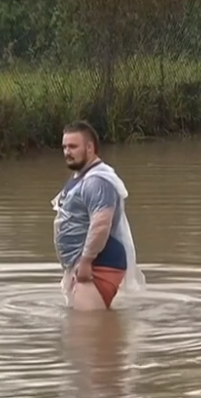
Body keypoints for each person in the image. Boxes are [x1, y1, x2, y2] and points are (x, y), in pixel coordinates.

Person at [51, 120, 146, 311]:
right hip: (86, 263)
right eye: (64, 147)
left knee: (87, 331)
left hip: (98, 264)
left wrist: (86, 262)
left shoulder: (97, 182)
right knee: (84, 331)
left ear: (89, 147)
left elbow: (101, 224)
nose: (67, 152)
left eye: (73, 146)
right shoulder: (82, 176)